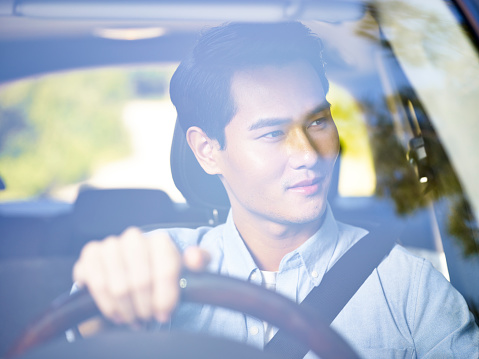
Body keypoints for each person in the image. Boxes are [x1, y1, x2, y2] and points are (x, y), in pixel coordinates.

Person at [72, 22, 479, 358]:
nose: (308, 153)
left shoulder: (409, 287)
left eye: (318, 122)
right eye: (271, 133)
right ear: (207, 151)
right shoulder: (154, 271)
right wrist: (100, 320)